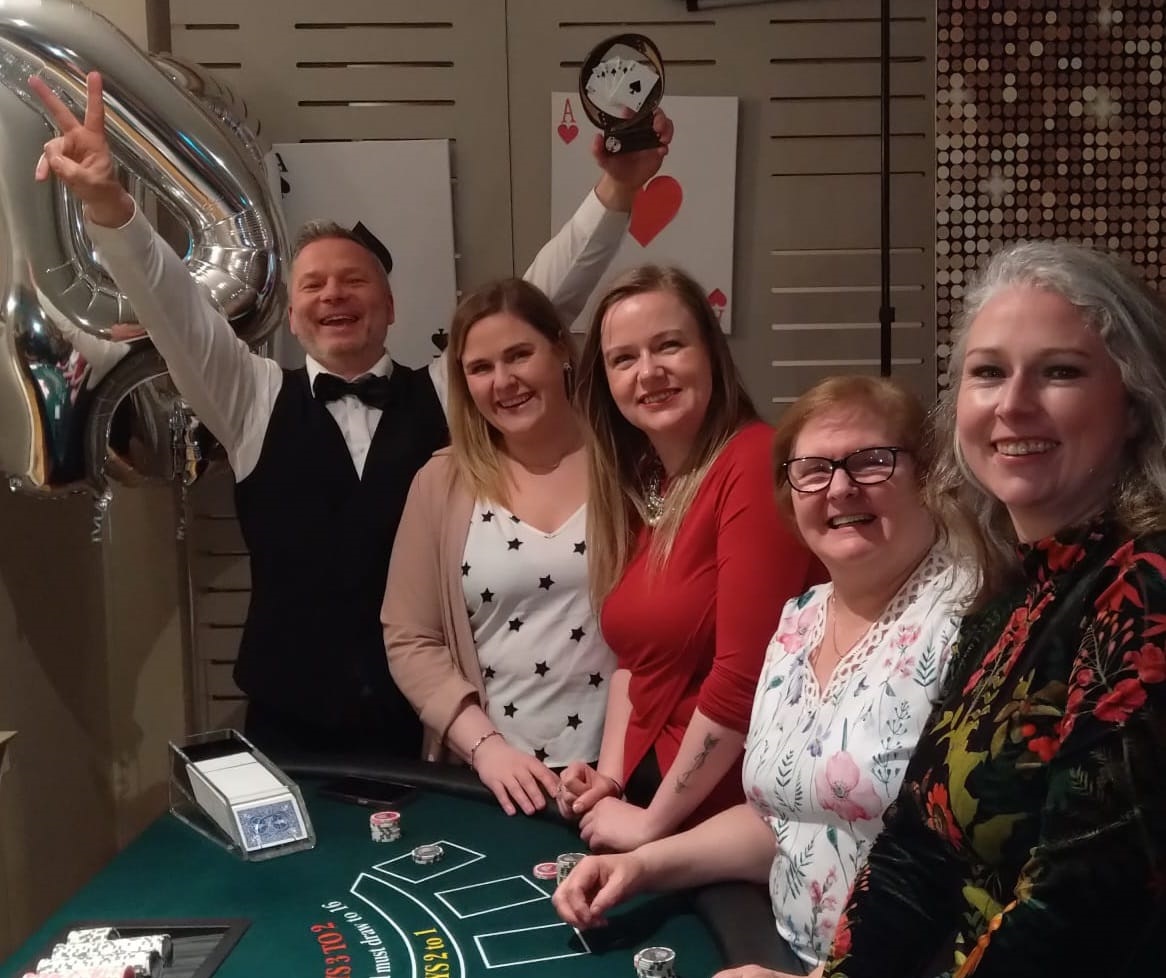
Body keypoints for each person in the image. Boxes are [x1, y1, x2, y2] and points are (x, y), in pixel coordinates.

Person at [30, 71, 673, 760]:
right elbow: (174, 308)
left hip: (428, 725)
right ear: (294, 316)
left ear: (391, 307)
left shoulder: (449, 392)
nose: (334, 293)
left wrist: (617, 192)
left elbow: (546, 296)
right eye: (314, 284)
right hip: (287, 726)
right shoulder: (250, 398)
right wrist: (109, 205)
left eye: (354, 279)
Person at [823, 241, 1166, 978]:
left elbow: (1079, 913)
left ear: (1133, 407)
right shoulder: (1009, 592)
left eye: (1061, 372)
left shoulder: (1146, 586)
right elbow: (916, 842)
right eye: (988, 373)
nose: (1013, 404)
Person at [554, 376, 974, 977]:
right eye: (813, 470)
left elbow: (991, 885)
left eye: (872, 462)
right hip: (777, 950)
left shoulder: (975, 618)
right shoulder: (800, 618)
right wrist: (644, 865)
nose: (841, 487)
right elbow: (782, 821)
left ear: (926, 475)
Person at [556, 266, 822, 853]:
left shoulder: (754, 461)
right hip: (655, 796)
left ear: (711, 352)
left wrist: (649, 823)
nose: (648, 372)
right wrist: (611, 781)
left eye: (668, 345)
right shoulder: (647, 481)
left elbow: (742, 680)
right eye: (623, 359)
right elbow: (633, 661)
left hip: (729, 818)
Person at [382, 279, 615, 816]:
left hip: (623, 775)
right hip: (493, 783)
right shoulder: (440, 482)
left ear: (560, 348)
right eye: (480, 368)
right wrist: (487, 750)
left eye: (519, 355)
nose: (503, 382)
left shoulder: (627, 466)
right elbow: (409, 637)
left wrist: (618, 770)